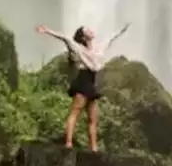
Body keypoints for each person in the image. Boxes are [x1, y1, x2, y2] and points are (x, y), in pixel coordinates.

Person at [35, 23, 128, 151]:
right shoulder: (78, 49)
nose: (91, 30)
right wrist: (47, 31)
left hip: (91, 84)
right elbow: (65, 38)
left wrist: (121, 29)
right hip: (82, 81)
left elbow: (110, 38)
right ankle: (68, 143)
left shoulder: (97, 49)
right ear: (84, 37)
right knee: (75, 112)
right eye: (87, 30)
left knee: (93, 118)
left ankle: (94, 147)